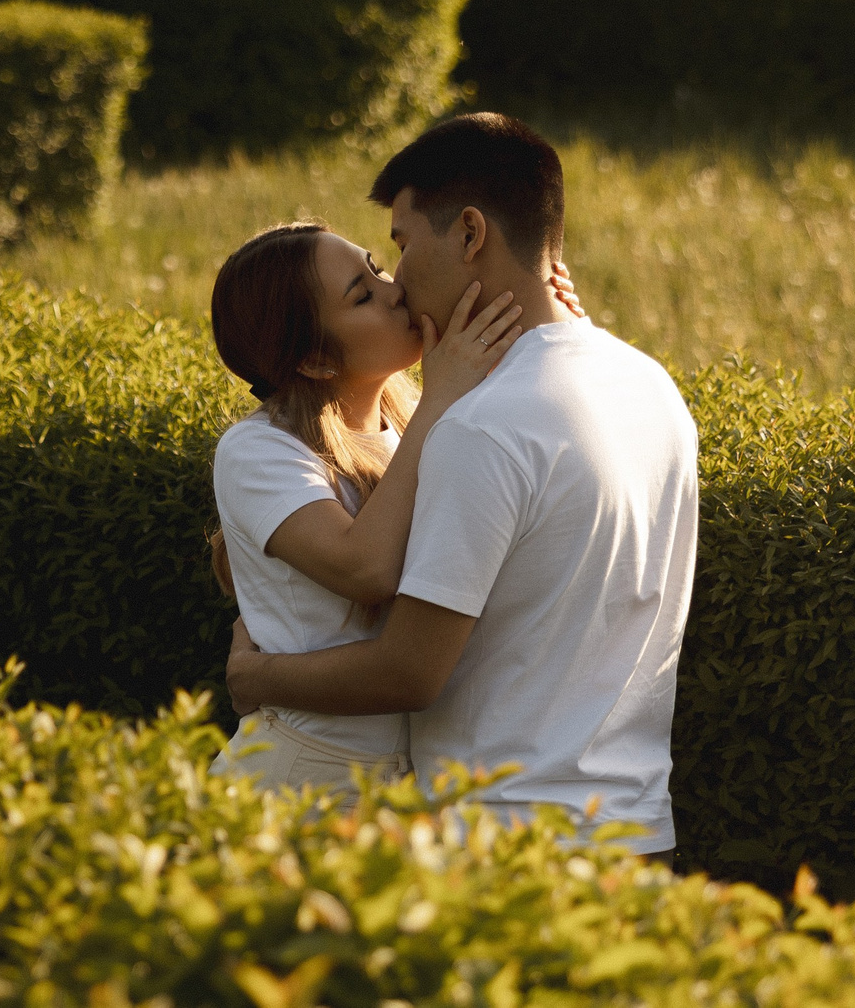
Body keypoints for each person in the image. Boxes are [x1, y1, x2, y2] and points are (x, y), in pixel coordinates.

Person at [225, 113, 699, 860]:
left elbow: (408, 669)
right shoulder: (647, 384)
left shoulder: (481, 425)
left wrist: (258, 674)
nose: (398, 277)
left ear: (470, 233)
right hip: (635, 834)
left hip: (506, 845)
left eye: (403, 244)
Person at [205, 219, 574, 796]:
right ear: (316, 362)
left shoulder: (403, 426)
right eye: (362, 294)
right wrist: (439, 398)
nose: (393, 288)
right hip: (300, 777)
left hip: (397, 781)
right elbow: (366, 569)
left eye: (376, 267)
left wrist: (552, 319)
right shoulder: (256, 450)